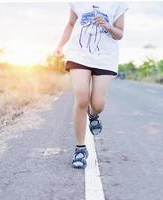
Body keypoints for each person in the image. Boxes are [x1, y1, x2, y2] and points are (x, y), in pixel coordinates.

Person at [55, 2, 128, 169]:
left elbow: (120, 33)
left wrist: (108, 26)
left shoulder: (118, 3)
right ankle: (80, 149)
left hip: (105, 57)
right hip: (78, 54)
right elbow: (71, 23)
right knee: (81, 98)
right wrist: (60, 45)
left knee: (98, 105)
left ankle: (93, 114)